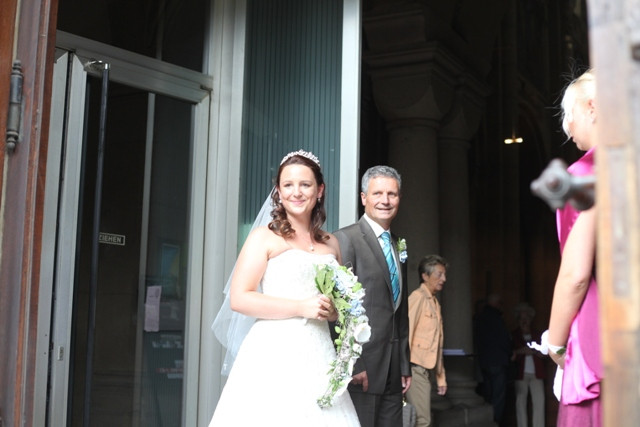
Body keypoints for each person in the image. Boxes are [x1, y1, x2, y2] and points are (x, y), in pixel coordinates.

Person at [209, 150, 361, 426]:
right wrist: (302, 307)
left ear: (320, 190)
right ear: (278, 191)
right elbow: (240, 298)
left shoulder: (331, 243)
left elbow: (339, 307)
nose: (297, 192)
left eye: (305, 184)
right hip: (273, 353)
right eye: (288, 185)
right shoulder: (263, 238)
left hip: (319, 353)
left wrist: (332, 312)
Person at [334, 165, 411, 427]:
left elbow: (399, 311)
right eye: (377, 193)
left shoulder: (398, 244)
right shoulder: (345, 240)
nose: (385, 201)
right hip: (362, 369)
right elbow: (337, 309)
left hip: (392, 371)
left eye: (392, 194)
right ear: (364, 198)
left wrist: (403, 365)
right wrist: (353, 364)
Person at [548, 69, 601, 427]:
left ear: (593, 106)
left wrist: (555, 341)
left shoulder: (586, 175)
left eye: (570, 114)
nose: (567, 127)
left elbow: (576, 275)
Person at [406, 255, 449, 427]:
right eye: (439, 274)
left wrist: (441, 377)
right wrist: (403, 370)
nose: (443, 279)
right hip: (414, 368)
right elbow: (406, 334)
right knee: (423, 421)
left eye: (444, 275)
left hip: (425, 369)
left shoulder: (435, 303)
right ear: (425, 276)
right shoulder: (418, 298)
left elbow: (437, 345)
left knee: (421, 419)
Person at [474, 293, 512, 426]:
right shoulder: (496, 318)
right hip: (498, 361)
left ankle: (487, 422)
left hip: (484, 361)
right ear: (496, 303)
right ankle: (494, 422)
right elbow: (504, 341)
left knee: (489, 394)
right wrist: (510, 353)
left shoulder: (480, 318)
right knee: (498, 396)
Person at [511, 303, 545, 427]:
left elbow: (544, 352)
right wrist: (522, 351)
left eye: (526, 319)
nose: (524, 321)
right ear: (518, 320)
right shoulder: (513, 335)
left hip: (537, 373)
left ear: (530, 319)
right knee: (520, 403)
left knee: (539, 402)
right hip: (521, 373)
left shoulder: (537, 334)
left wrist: (536, 351)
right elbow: (510, 352)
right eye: (521, 319)